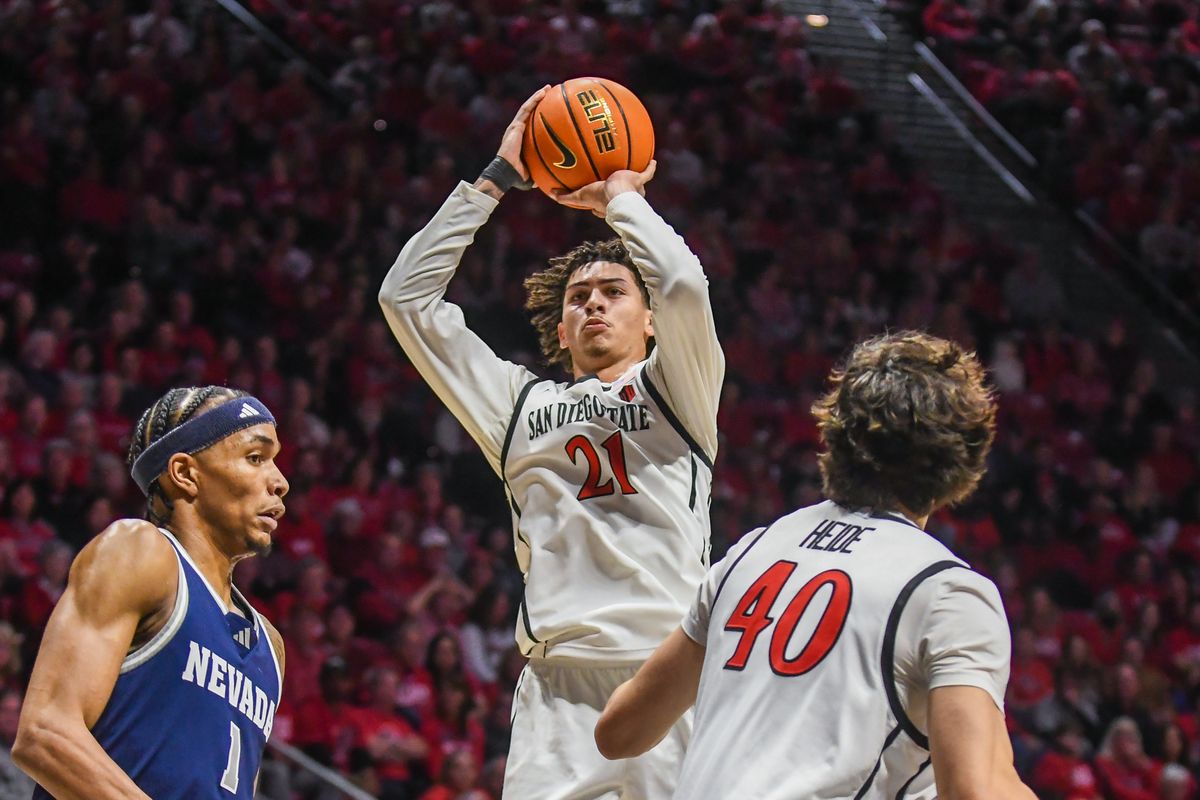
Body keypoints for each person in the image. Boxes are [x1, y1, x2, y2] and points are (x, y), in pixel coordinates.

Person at [379, 86, 723, 798]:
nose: (593, 301)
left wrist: (622, 198)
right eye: (578, 297)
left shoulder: (678, 388)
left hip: (673, 673)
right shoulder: (517, 406)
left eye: (614, 291)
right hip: (558, 691)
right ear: (560, 330)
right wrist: (496, 178)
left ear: (650, 322)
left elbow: (685, 286)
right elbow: (405, 300)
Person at [595, 332, 1036, 800]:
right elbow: (973, 792)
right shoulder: (950, 593)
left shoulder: (753, 551)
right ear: (962, 460)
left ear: (835, 434)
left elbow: (619, 731)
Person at [13, 386, 289, 799]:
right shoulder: (139, 552)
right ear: (184, 473)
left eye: (275, 462)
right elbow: (46, 733)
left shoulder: (270, 646)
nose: (280, 482)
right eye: (255, 458)